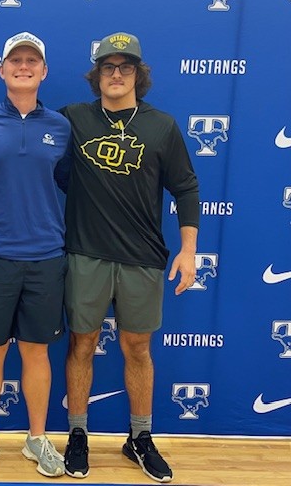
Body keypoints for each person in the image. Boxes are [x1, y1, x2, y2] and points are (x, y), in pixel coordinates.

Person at [59, 32, 199, 483]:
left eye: (125, 67)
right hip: (87, 253)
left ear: (139, 74)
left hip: (142, 256)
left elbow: (186, 188)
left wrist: (189, 251)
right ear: (96, 75)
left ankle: (139, 437)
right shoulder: (74, 118)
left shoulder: (162, 126)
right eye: (108, 67)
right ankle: (77, 433)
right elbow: (24, 130)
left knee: (137, 348)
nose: (116, 74)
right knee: (82, 344)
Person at [0, 32, 70, 478]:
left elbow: (66, 183)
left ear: (44, 71)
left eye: (32, 61)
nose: (23, 66)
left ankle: (36, 438)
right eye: (15, 60)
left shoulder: (61, 126)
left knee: (36, 351)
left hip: (46, 255)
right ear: (2, 69)